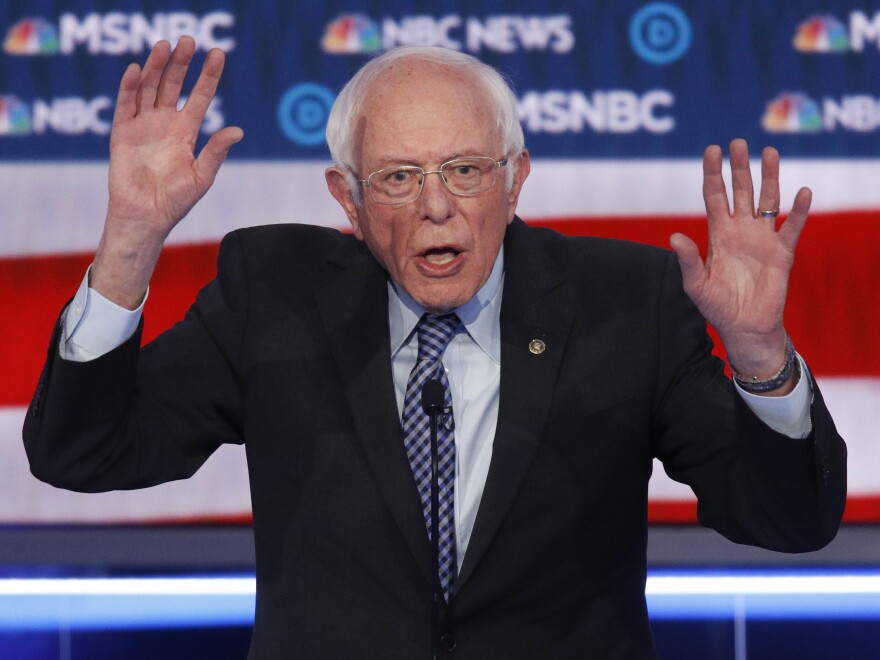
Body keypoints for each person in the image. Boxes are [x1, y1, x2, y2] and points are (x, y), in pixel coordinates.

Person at [23, 37, 846, 659]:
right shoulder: (273, 291)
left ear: (516, 176)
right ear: (344, 196)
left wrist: (761, 357)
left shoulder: (624, 303)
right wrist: (130, 242)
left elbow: (790, 521)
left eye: (463, 170)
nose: (436, 207)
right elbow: (82, 453)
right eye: (397, 177)